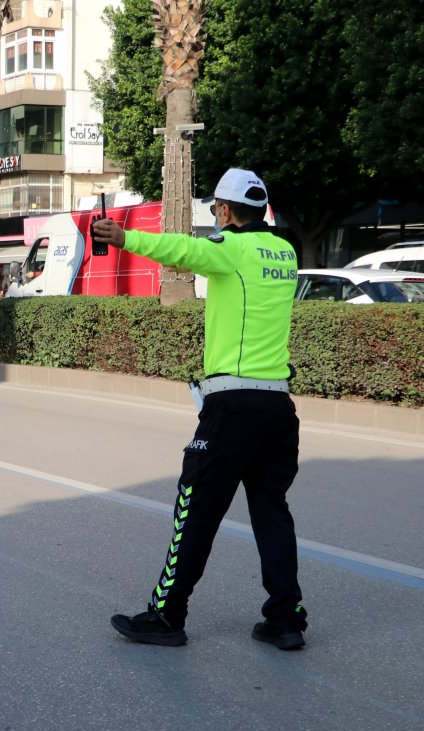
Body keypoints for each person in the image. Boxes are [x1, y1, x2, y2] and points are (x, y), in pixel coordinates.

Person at [93, 168, 307, 650]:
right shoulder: (285, 252)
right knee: (272, 513)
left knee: (195, 510)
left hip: (232, 407)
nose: (215, 216)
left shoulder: (231, 250)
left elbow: (184, 251)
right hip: (278, 406)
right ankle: (286, 618)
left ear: (226, 211)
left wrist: (124, 236)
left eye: (215, 209)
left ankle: (167, 616)